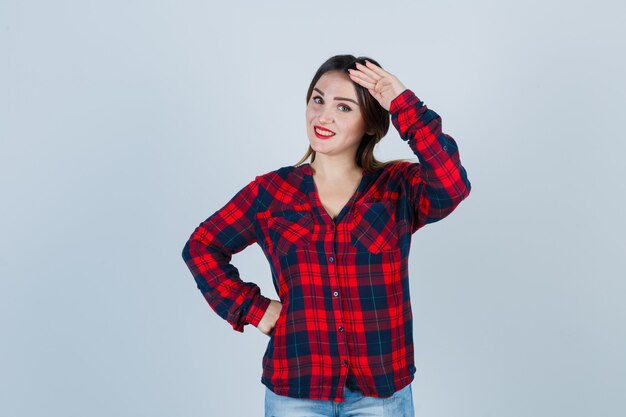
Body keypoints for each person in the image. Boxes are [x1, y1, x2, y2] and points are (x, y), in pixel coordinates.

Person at [181, 54, 471, 417]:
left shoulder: (398, 189)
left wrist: (403, 104)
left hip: (381, 395)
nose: (324, 116)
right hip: (296, 392)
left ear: (370, 123)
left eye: (344, 107)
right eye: (318, 99)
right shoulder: (271, 194)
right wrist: (255, 310)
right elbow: (202, 247)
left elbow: (452, 185)